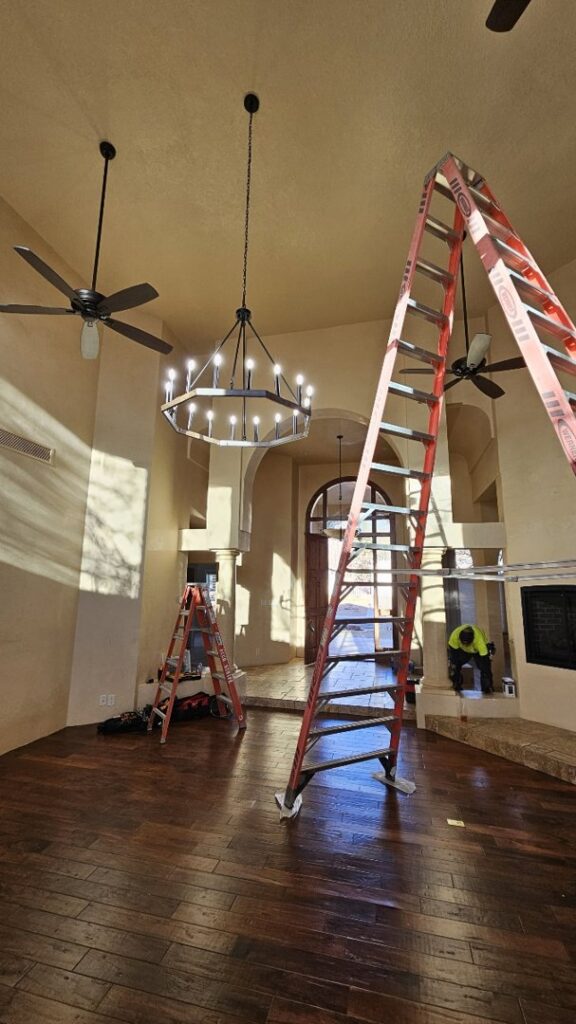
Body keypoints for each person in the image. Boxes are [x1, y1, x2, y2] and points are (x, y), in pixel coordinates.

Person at [448, 624, 495, 694]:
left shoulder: (479, 640)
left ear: (473, 639)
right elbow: (454, 654)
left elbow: (484, 658)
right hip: (463, 650)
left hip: (477, 651)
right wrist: (454, 664)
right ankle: (456, 685)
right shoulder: (454, 637)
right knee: (455, 666)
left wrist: (484, 665)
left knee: (485, 668)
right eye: (463, 642)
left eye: (467, 643)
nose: (465, 644)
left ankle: (487, 688)